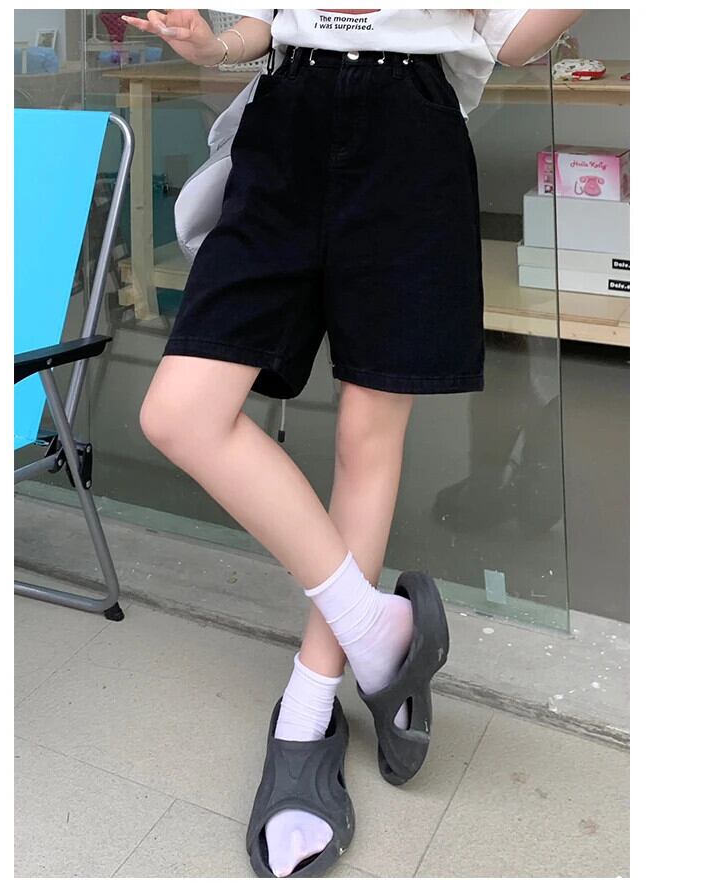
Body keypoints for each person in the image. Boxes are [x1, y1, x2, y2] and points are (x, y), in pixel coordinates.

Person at [123, 6, 583, 878]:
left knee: (367, 439)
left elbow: (511, 37)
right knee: (179, 413)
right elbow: (262, 25)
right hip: (284, 123)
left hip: (411, 133)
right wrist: (214, 43)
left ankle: (307, 713)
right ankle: (378, 628)